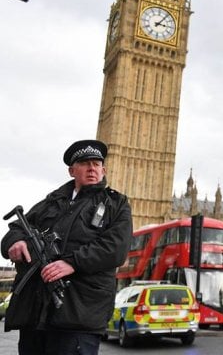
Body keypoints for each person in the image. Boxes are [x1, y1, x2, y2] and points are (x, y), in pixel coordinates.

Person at [1, 139, 132, 355]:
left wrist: (72, 262)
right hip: (36, 314)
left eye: (96, 164)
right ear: (72, 170)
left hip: (79, 314)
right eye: (85, 163)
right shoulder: (52, 202)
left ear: (104, 169)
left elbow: (116, 248)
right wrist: (14, 241)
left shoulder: (115, 204)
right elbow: (17, 227)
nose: (92, 168)